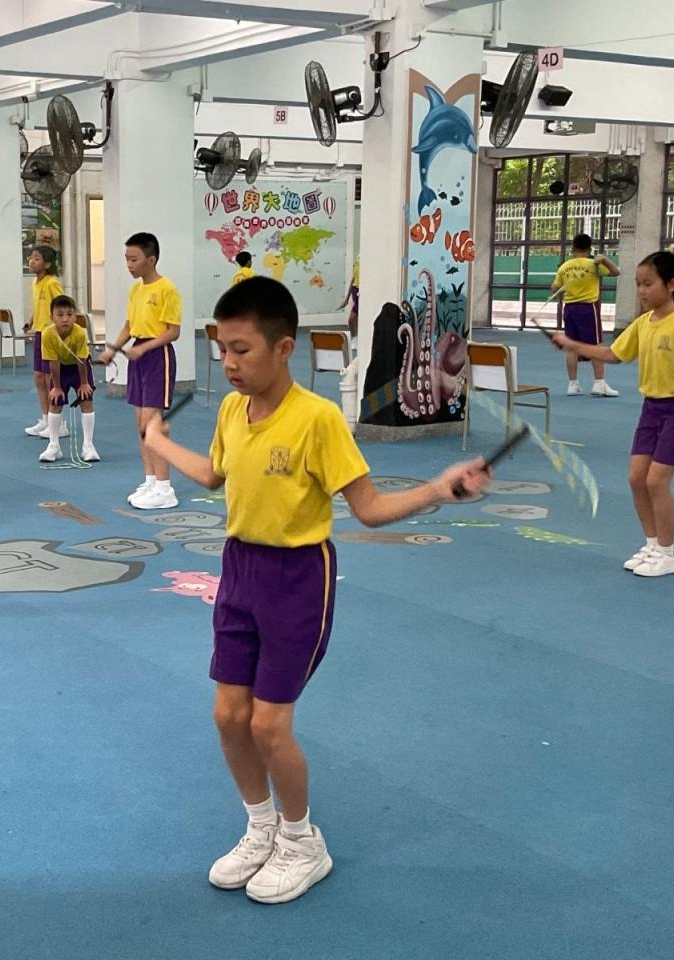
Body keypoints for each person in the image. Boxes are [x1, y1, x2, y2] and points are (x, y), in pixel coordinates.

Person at [142, 276, 490, 904]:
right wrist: (161, 442)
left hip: (299, 578)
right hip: (239, 570)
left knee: (269, 725)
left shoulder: (318, 419)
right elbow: (216, 475)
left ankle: (304, 843)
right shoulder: (231, 410)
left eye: (241, 350)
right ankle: (261, 828)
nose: (229, 363)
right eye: (222, 350)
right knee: (228, 716)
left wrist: (439, 489)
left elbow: (370, 510)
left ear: (283, 348)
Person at [552, 252, 674, 578]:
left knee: (656, 480)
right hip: (652, 407)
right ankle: (652, 545)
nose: (641, 290)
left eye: (648, 284)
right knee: (637, 478)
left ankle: (668, 553)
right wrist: (572, 344)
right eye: (638, 284)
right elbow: (613, 354)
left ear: (671, 284)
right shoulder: (642, 323)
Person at [100, 232, 182, 510]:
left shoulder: (167, 289)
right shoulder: (136, 291)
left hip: (158, 356)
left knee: (152, 424)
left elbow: (173, 332)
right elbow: (128, 326)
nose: (129, 265)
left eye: (134, 259)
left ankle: (165, 489)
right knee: (140, 423)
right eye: (126, 259)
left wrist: (145, 348)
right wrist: (113, 349)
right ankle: (150, 481)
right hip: (138, 356)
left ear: (151, 259)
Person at [550, 233, 620, 397]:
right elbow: (616, 272)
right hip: (588, 308)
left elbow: (554, 288)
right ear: (589, 249)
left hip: (569, 309)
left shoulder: (565, 266)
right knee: (596, 346)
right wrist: (604, 260)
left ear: (572, 248)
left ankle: (573, 385)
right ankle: (599, 384)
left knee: (571, 347)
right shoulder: (593, 264)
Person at [38, 295, 98, 463]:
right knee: (55, 401)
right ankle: (54, 446)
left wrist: (84, 383)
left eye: (70, 314)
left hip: (80, 368)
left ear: (75, 316)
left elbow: (82, 360)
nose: (65, 319)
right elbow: (53, 362)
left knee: (86, 399)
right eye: (60, 315)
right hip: (60, 368)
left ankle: (88, 446)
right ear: (52, 317)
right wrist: (56, 387)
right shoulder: (47, 334)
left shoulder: (79, 333)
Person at [22, 245, 67, 439]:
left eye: (36, 258)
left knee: (51, 379)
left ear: (47, 264)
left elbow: (62, 307)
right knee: (39, 377)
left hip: (52, 334)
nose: (31, 261)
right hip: (39, 332)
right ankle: (46, 419)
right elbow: (38, 306)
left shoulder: (52, 283)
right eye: (31, 258)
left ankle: (60, 424)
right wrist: (31, 320)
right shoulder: (34, 282)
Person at [338, 255, 360, 339]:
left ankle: (358, 338)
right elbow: (353, 279)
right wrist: (347, 299)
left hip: (361, 291)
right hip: (355, 290)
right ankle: (354, 338)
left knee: (354, 318)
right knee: (351, 320)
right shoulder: (358, 259)